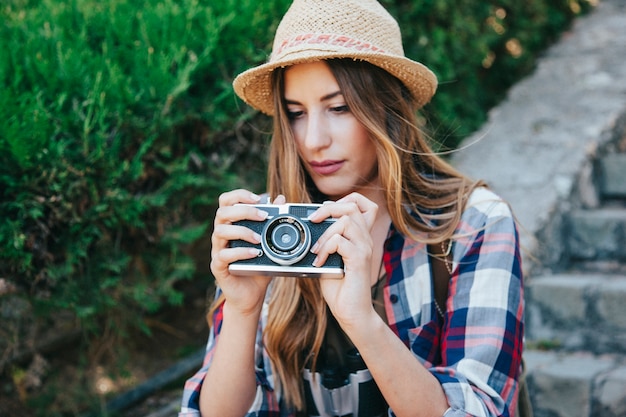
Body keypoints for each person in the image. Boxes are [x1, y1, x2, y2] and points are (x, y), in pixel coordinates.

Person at [179, 0, 524, 416]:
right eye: (295, 113)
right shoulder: (266, 232)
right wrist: (242, 308)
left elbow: (479, 409)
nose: (313, 140)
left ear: (388, 107)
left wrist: (362, 320)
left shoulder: (474, 224)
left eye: (339, 107)